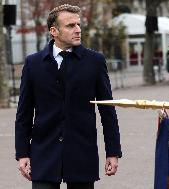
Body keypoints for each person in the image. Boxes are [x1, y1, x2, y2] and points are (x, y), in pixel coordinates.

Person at [15, 4, 122, 189]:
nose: (78, 30)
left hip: (82, 152)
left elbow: (107, 110)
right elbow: (23, 114)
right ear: (54, 31)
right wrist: (22, 153)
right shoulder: (33, 64)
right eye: (71, 26)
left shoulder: (95, 62)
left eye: (79, 25)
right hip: (44, 154)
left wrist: (113, 151)